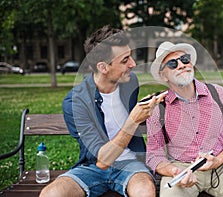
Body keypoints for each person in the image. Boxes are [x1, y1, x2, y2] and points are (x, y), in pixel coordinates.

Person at [40, 25, 160, 197]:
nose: (133, 64)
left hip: (131, 164)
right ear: (103, 67)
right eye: (125, 60)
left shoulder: (130, 81)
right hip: (92, 166)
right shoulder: (75, 102)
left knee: (145, 190)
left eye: (130, 56)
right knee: (52, 193)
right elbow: (103, 160)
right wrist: (133, 120)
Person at [146, 41, 223, 197]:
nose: (181, 65)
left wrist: (218, 160)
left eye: (185, 59)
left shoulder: (219, 95)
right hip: (181, 169)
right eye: (172, 63)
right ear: (163, 75)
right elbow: (154, 155)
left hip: (221, 167)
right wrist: (175, 171)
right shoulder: (158, 107)